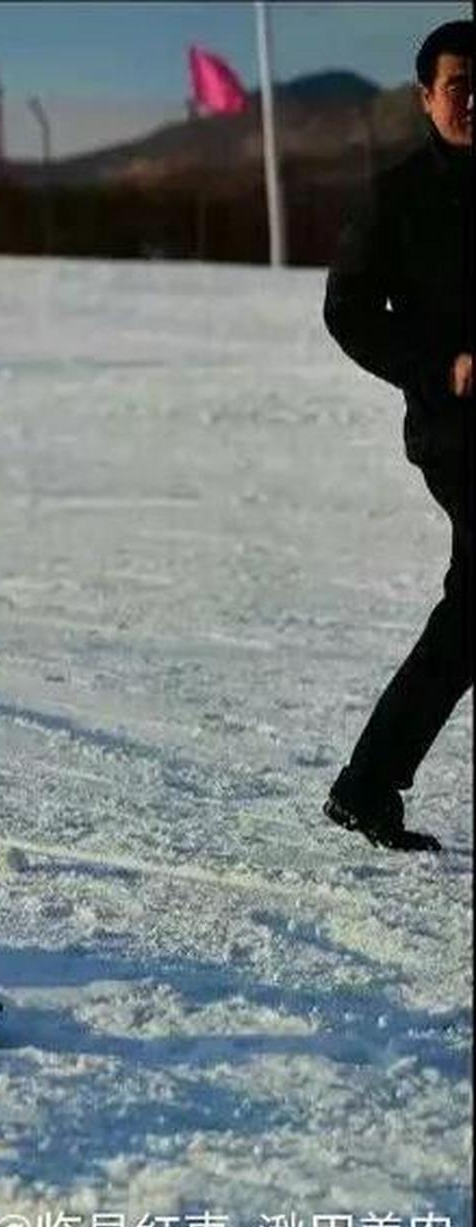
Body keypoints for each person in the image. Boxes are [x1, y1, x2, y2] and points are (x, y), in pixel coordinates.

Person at [322, 19, 472, 852]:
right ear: (426, 97)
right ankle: (365, 782)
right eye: (458, 85)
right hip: (457, 436)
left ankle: (365, 786)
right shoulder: (398, 194)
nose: (473, 99)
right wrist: (438, 365)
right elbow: (346, 312)